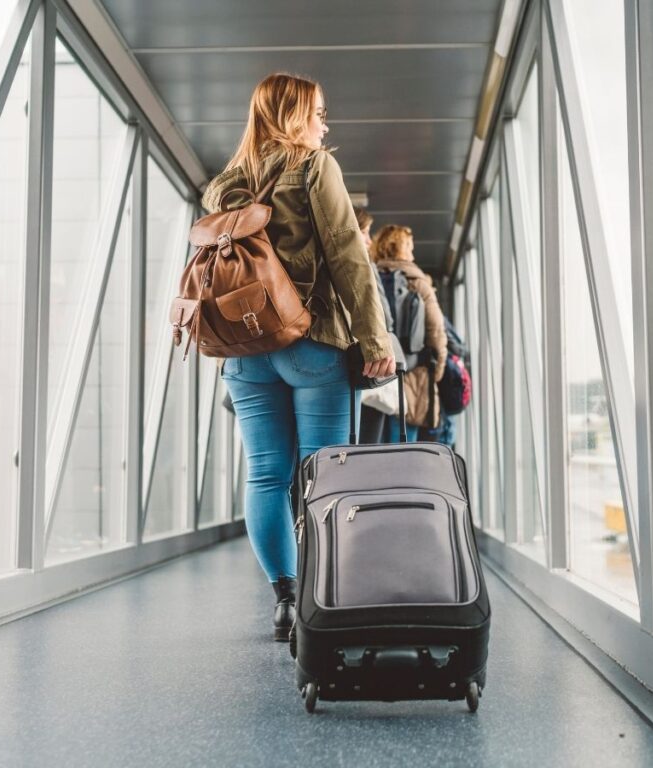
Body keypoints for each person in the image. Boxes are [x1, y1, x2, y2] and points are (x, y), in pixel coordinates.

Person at [201, 73, 395, 642]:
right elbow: (347, 255)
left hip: (244, 351)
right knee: (322, 475)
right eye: (318, 113)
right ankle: (319, 596)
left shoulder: (226, 186)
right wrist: (375, 339)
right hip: (311, 342)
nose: (324, 126)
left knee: (266, 474)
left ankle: (285, 597)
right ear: (294, 115)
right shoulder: (314, 167)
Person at [371, 224, 447, 442]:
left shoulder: (369, 278)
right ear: (400, 248)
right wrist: (434, 373)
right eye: (410, 249)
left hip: (374, 375)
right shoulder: (418, 282)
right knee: (403, 448)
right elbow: (436, 332)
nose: (413, 255)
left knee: (369, 448)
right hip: (412, 377)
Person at [353, 207, 392, 444]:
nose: (369, 241)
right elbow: (383, 313)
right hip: (365, 365)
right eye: (365, 232)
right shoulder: (362, 264)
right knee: (365, 448)